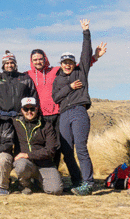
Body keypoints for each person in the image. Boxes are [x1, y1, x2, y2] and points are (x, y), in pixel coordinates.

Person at [26, 42, 106, 167]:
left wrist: (94, 57)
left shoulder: (55, 71)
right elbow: (14, 80)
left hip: (58, 114)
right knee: (41, 145)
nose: (38, 62)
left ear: (45, 59)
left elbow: (76, 68)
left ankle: (56, 173)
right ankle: (41, 176)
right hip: (40, 115)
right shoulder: (28, 75)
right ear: (31, 61)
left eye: (40, 59)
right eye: (35, 60)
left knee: (58, 146)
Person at [52, 19, 95, 196]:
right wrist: (69, 88)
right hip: (64, 114)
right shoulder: (58, 79)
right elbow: (55, 98)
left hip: (79, 111)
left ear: (74, 63)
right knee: (66, 150)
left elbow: (86, 53)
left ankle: (88, 182)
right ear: (61, 63)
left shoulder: (81, 71)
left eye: (70, 62)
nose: (68, 64)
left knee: (81, 148)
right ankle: (77, 180)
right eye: (65, 62)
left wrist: (86, 32)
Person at [12, 97, 63, 195]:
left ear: (37, 109)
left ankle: (38, 182)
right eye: (26, 109)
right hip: (26, 164)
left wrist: (28, 155)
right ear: (22, 110)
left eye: (32, 109)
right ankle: (26, 185)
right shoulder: (15, 123)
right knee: (21, 164)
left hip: (45, 163)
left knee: (55, 190)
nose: (29, 112)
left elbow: (50, 150)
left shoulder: (47, 126)